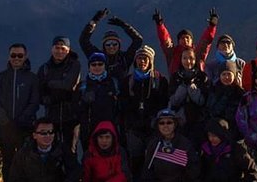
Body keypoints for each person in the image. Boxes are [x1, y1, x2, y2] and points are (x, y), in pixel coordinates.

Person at [0, 43, 40, 182]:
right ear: (9, 56)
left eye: (20, 55)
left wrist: (23, 119)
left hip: (26, 127)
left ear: (25, 56)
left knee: (26, 161)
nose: (16, 58)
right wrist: (4, 120)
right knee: (8, 161)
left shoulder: (32, 78)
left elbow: (35, 101)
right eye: (13, 55)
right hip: (5, 128)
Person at [120, 45, 169, 180]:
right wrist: (130, 123)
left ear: (150, 61)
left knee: (154, 161)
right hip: (133, 129)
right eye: (140, 58)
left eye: (145, 58)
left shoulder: (160, 80)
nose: (142, 61)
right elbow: (123, 105)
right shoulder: (127, 81)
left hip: (153, 128)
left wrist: (154, 121)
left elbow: (163, 103)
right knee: (135, 162)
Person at [38, 36, 81, 158]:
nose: (59, 51)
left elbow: (69, 85)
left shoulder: (75, 65)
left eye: (63, 48)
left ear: (68, 50)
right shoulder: (44, 68)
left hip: (71, 117)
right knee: (52, 152)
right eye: (57, 48)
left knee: (71, 152)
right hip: (52, 116)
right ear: (52, 49)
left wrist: (50, 83)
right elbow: (39, 92)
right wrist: (47, 98)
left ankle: (71, 177)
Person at [79, 8, 143, 83]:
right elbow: (83, 40)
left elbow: (138, 40)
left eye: (114, 44)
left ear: (119, 45)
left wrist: (124, 25)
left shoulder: (125, 59)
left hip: (121, 93)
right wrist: (94, 21)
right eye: (108, 44)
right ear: (104, 46)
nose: (111, 47)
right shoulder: (97, 57)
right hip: (100, 93)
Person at [8, 117, 80, 182]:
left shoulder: (63, 151)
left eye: (51, 132)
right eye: (43, 133)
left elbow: (74, 173)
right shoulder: (24, 154)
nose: (48, 136)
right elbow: (15, 178)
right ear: (34, 135)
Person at [152, 7, 218, 74]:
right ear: (178, 41)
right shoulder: (173, 54)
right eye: (182, 38)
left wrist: (212, 27)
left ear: (192, 41)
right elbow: (166, 41)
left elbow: (206, 41)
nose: (185, 39)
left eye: (187, 37)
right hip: (176, 83)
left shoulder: (197, 53)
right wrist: (160, 25)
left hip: (197, 83)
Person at [77, 52, 121, 151]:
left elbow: (120, 105)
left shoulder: (114, 83)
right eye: (93, 64)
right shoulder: (83, 86)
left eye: (100, 64)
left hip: (110, 127)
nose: (97, 67)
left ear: (105, 66)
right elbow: (76, 108)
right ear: (89, 67)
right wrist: (84, 102)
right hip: (89, 129)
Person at [142, 109, 201, 182]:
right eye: (162, 123)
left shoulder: (185, 144)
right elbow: (147, 170)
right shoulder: (153, 144)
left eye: (169, 122)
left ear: (175, 124)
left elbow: (194, 169)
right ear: (157, 126)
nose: (165, 126)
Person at [168, 46, 210, 146]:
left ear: (196, 59)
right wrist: (182, 88)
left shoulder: (202, 77)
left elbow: (202, 101)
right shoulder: (175, 77)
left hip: (198, 120)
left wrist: (191, 88)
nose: (188, 61)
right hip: (179, 121)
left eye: (191, 58)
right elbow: (173, 101)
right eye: (185, 58)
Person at [200, 117, 257, 182]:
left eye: (214, 136)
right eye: (209, 135)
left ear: (222, 135)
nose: (211, 138)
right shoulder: (205, 149)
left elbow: (251, 170)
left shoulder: (235, 149)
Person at [206, 61, 245, 139]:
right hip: (217, 129)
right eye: (224, 74)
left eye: (229, 74)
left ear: (234, 76)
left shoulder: (240, 93)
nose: (226, 77)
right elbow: (211, 110)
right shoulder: (214, 90)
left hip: (235, 131)